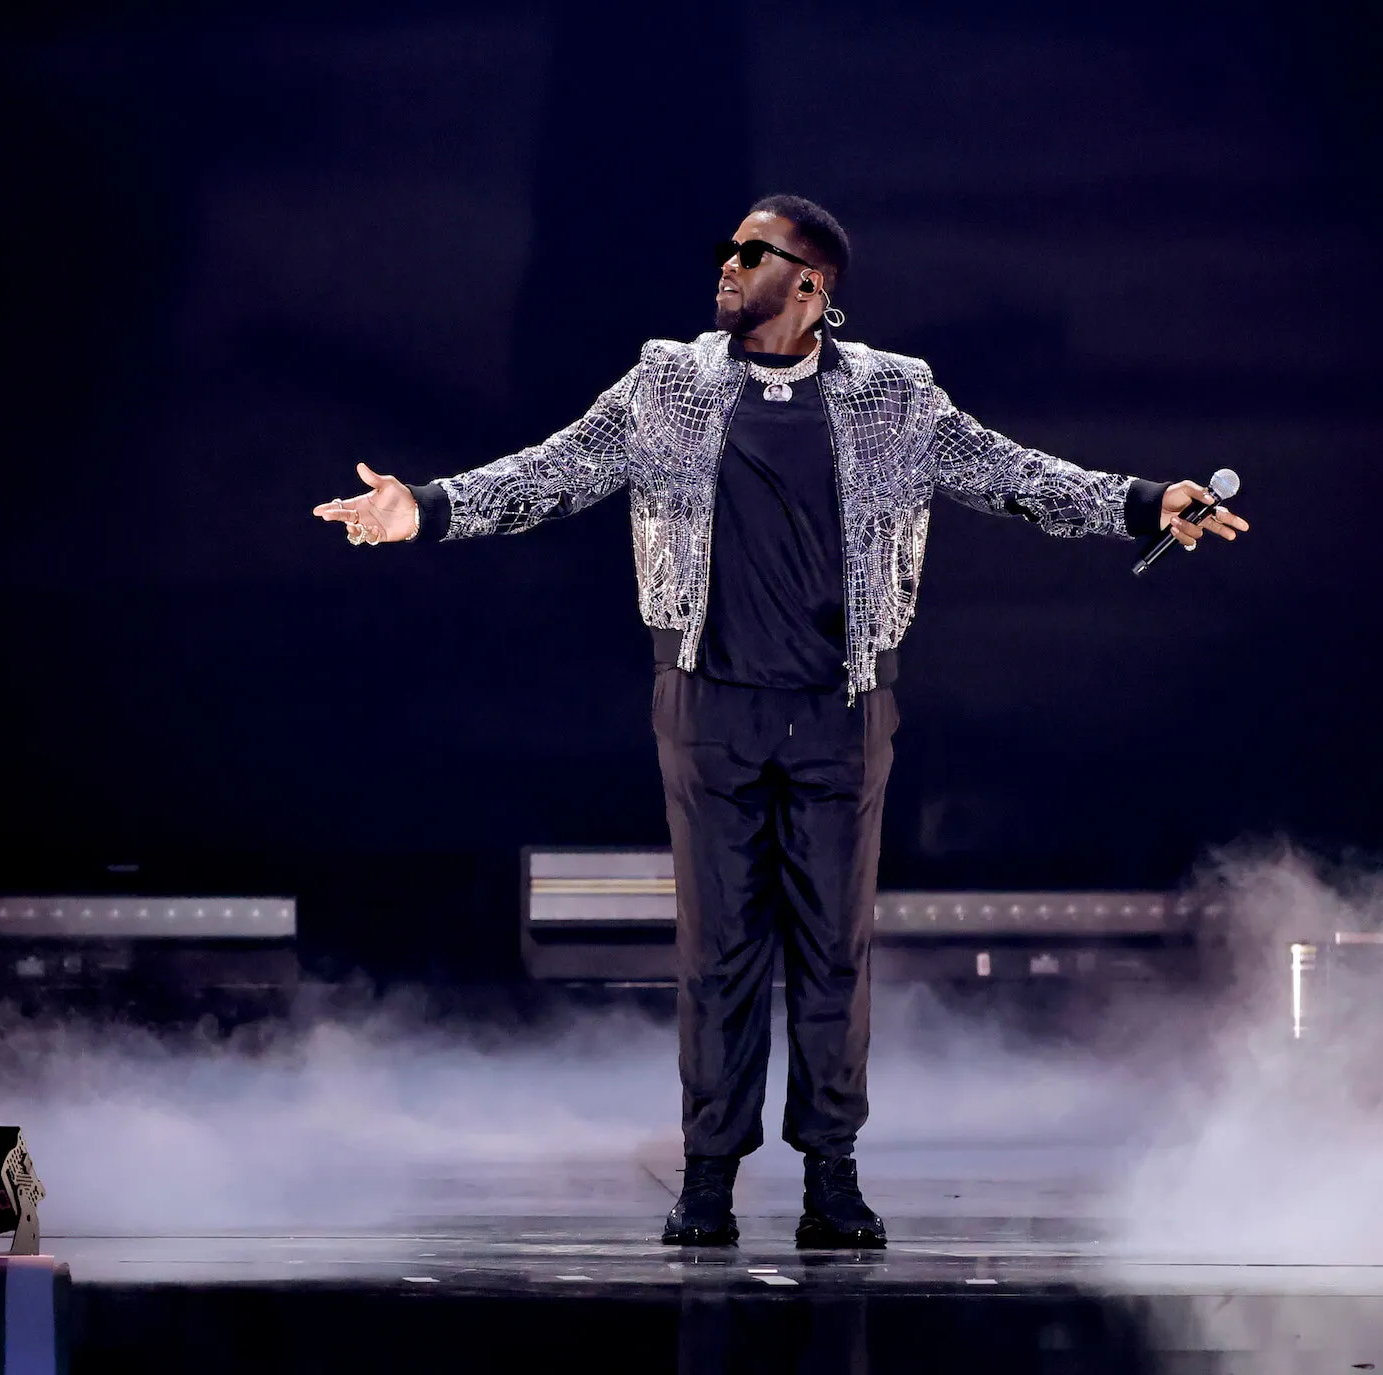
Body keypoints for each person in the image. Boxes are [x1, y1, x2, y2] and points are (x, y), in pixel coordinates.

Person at [313, 195, 1249, 1249]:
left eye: (750, 252)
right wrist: (423, 506)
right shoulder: (665, 383)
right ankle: (707, 1177)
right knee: (716, 952)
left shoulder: (896, 396)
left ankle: (831, 1179)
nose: (726, 262)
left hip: (843, 709)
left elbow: (1015, 476)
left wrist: (1142, 501)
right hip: (707, 706)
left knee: (830, 952)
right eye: (725, 245)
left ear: (810, 285)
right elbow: (553, 470)